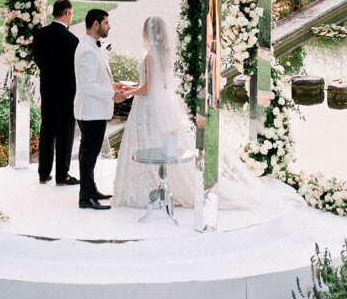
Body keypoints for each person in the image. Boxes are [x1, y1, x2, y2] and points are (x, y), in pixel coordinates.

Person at [112, 14, 306, 215]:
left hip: (147, 106)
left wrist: (128, 92)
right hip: (158, 104)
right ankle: (158, 183)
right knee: (156, 144)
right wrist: (136, 88)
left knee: (146, 144)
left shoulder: (150, 56)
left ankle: (150, 185)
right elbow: (160, 83)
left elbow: (148, 87)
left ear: (148, 31)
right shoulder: (163, 54)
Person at [73, 8, 127, 209]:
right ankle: (85, 197)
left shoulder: (92, 46)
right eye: (106, 23)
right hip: (90, 111)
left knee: (91, 154)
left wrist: (114, 86)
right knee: (88, 155)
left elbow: (97, 79)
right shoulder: (86, 49)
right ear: (95, 24)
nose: (109, 26)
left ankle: (90, 189)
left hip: (96, 110)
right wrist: (112, 95)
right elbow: (87, 85)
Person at [32, 0, 79, 185]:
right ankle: (62, 174)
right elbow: (75, 69)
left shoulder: (40, 35)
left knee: (47, 130)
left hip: (47, 90)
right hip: (66, 93)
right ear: (67, 13)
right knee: (65, 133)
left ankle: (43, 173)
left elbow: (37, 59)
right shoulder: (72, 40)